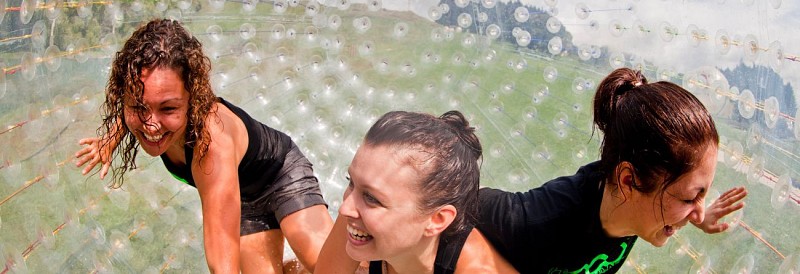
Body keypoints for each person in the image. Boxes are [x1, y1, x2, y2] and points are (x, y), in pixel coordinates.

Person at [74, 19, 333, 273]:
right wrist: (108, 142)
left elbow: (222, 265)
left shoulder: (211, 145)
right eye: (139, 108)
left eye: (169, 108)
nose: (151, 125)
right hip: (242, 201)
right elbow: (132, 108)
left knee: (331, 269)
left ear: (192, 100)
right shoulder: (143, 107)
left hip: (281, 174)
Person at [470, 68, 748, 273]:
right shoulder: (540, 218)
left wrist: (696, 215)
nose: (699, 211)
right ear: (628, 181)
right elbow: (461, 203)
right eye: (689, 198)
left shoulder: (635, 205)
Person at [314, 110, 516, 274]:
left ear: (437, 219)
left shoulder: (477, 270)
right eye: (351, 182)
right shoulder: (358, 220)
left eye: (372, 198)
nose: (344, 208)